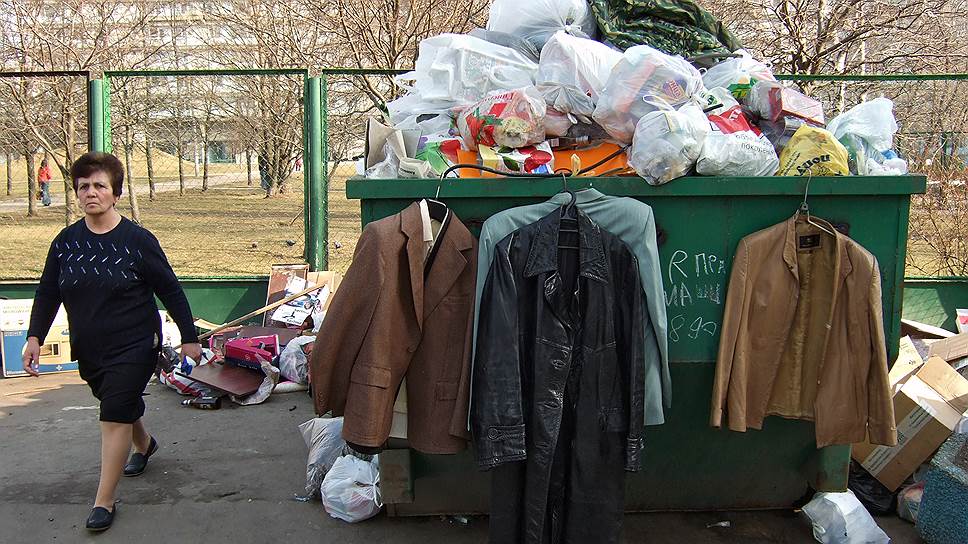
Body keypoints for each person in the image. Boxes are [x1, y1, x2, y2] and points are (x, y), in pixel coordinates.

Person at [23, 152, 202, 532]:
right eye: (83, 186)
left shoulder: (137, 241)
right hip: (90, 348)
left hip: (135, 344)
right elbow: (48, 293)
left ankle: (103, 500)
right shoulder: (65, 243)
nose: (91, 192)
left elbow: (170, 289)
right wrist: (35, 336)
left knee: (114, 411)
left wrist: (190, 337)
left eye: (99, 186)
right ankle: (145, 443)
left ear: (115, 193)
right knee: (115, 403)